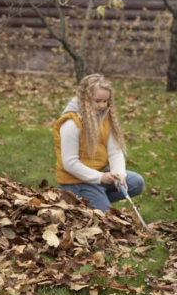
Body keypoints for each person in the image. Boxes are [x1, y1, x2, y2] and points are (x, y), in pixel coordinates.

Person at [53, 74, 145, 211]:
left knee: (136, 182)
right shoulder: (71, 123)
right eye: (97, 101)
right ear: (85, 99)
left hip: (99, 174)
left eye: (105, 101)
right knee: (107, 220)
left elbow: (115, 151)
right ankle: (83, 200)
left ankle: (97, 199)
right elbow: (69, 163)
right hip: (76, 181)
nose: (102, 105)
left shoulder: (104, 118)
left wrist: (118, 174)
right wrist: (101, 177)